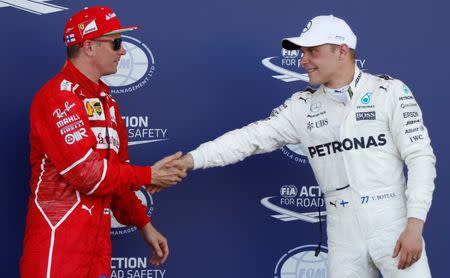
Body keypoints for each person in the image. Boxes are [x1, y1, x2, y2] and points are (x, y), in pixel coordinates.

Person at [151, 15, 436, 278]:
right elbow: (249, 139)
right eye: (302, 52)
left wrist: (414, 224)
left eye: (313, 51)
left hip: (394, 223)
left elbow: (421, 157)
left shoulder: (389, 92)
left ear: (342, 50)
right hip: (343, 231)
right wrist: (190, 160)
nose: (303, 60)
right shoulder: (302, 106)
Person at [20, 6, 187, 278]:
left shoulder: (107, 102)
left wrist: (144, 224)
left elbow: (115, 177)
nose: (122, 51)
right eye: (116, 42)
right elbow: (88, 175)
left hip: (96, 248)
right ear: (89, 46)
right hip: (58, 243)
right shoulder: (57, 98)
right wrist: (150, 174)